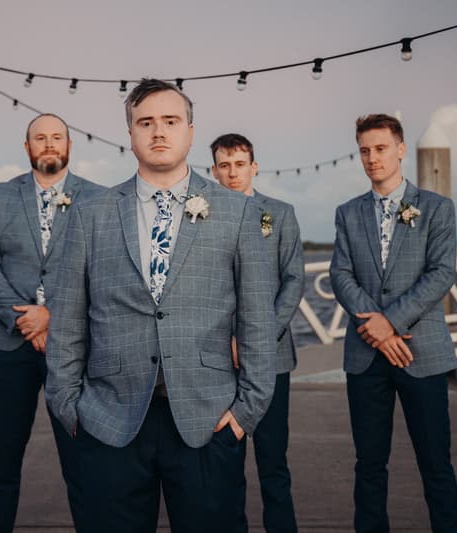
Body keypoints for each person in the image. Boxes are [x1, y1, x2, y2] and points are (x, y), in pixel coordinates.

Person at [45, 79, 277, 533]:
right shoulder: (90, 213)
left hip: (208, 421)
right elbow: (68, 320)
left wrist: (247, 411)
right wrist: (69, 406)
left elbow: (257, 322)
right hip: (109, 420)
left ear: (190, 131)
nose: (158, 132)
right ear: (130, 134)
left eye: (170, 121)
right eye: (145, 122)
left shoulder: (237, 213)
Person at [330, 114, 457, 532]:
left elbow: (441, 274)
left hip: (421, 353)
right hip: (365, 358)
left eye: (381, 148)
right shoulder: (348, 213)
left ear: (401, 149)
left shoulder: (437, 208)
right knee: (369, 465)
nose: (372, 158)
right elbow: (340, 274)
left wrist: (388, 323)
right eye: (365, 151)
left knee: (435, 465)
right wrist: (376, 330)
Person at [0, 113, 104, 532]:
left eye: (56, 137)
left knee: (84, 461)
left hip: (74, 350)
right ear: (26, 147)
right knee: (2, 461)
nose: (49, 144)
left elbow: (102, 270)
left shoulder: (100, 198)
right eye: (39, 138)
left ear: (69, 145)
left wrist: (53, 316)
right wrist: (25, 319)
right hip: (6, 345)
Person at [211, 133, 304, 532]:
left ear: (254, 166)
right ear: (214, 171)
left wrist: (257, 341)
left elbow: (294, 281)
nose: (233, 173)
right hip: (217, 359)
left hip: (271, 356)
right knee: (225, 465)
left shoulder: (280, 215)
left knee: (273, 461)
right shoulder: (201, 214)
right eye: (224, 165)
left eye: (240, 164)